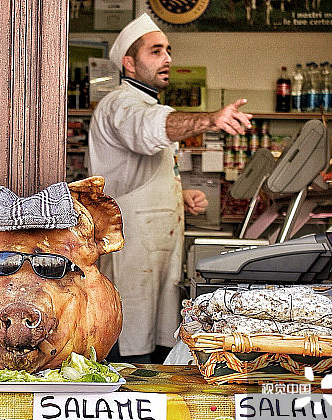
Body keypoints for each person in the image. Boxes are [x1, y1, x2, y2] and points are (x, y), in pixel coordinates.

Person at [89, 13, 253, 364]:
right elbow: (147, 129)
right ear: (129, 63)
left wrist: (178, 196)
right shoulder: (120, 104)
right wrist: (210, 119)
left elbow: (143, 168)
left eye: (168, 50)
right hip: (131, 250)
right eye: (156, 51)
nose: (167, 58)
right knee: (129, 346)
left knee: (158, 342)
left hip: (157, 249)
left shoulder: (150, 104)